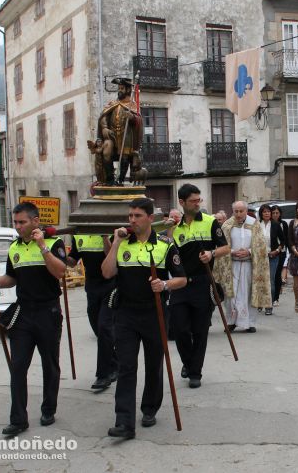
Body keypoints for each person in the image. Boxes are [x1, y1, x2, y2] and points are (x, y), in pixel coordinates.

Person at [102, 198, 187, 439]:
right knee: (126, 366)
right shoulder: (122, 243)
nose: (132, 220)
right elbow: (107, 272)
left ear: (151, 218)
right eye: (130, 216)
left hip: (155, 312)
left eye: (137, 216)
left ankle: (149, 408)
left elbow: (182, 278)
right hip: (126, 313)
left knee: (153, 364)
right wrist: (116, 243)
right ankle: (124, 421)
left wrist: (165, 284)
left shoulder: (165, 244)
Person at [0, 202, 67, 437]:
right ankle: (18, 419)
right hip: (24, 313)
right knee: (17, 366)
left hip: (48, 312)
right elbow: (12, 276)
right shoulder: (14, 248)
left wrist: (43, 247)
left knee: (50, 364)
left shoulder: (53, 243)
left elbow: (60, 272)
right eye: (16, 222)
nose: (18, 226)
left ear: (35, 222)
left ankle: (48, 409)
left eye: (22, 222)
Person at [169, 184, 230, 389]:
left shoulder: (211, 222)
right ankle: (188, 362)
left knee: (200, 330)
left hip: (202, 282)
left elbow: (226, 247)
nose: (197, 203)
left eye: (199, 200)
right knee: (179, 329)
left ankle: (195, 371)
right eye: (193, 201)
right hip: (179, 283)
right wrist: (168, 230)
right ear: (182, 202)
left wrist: (212, 254)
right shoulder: (173, 226)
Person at [66, 234, 117, 390]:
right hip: (92, 288)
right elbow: (73, 261)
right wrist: (61, 255)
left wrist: (105, 238)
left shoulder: (112, 233)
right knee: (97, 327)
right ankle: (115, 362)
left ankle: (103, 375)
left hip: (112, 285)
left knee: (104, 327)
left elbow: (113, 258)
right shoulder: (79, 235)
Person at [213, 201, 271, 332]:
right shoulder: (227, 225)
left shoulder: (254, 224)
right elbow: (221, 245)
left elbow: (261, 245)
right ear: (232, 211)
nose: (238, 214)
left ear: (246, 211)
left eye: (241, 211)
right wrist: (232, 251)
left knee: (248, 293)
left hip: (249, 265)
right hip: (232, 265)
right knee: (231, 295)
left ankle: (249, 323)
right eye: (236, 211)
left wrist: (249, 251)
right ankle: (231, 321)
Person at [96, 77, 143, 185]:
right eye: (119, 88)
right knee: (106, 150)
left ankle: (120, 180)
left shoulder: (132, 105)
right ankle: (110, 179)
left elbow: (139, 121)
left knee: (125, 156)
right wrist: (104, 128)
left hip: (126, 136)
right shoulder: (113, 103)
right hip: (111, 136)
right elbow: (103, 116)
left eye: (122, 88)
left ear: (127, 90)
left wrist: (132, 117)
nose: (119, 90)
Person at [258, 204, 285, 314]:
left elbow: (283, 241)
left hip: (273, 256)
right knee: (260, 280)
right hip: (259, 257)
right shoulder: (257, 225)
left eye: (268, 211)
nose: (267, 213)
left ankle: (269, 305)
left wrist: (277, 251)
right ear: (261, 213)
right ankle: (259, 303)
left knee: (271, 281)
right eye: (264, 212)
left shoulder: (276, 225)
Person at [271, 204, 289, 307]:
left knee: (277, 274)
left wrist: (285, 249)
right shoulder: (268, 224)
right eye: (273, 213)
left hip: (281, 251)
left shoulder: (283, 224)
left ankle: (276, 297)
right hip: (270, 252)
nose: (275, 215)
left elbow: (285, 238)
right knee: (270, 275)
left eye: (277, 213)